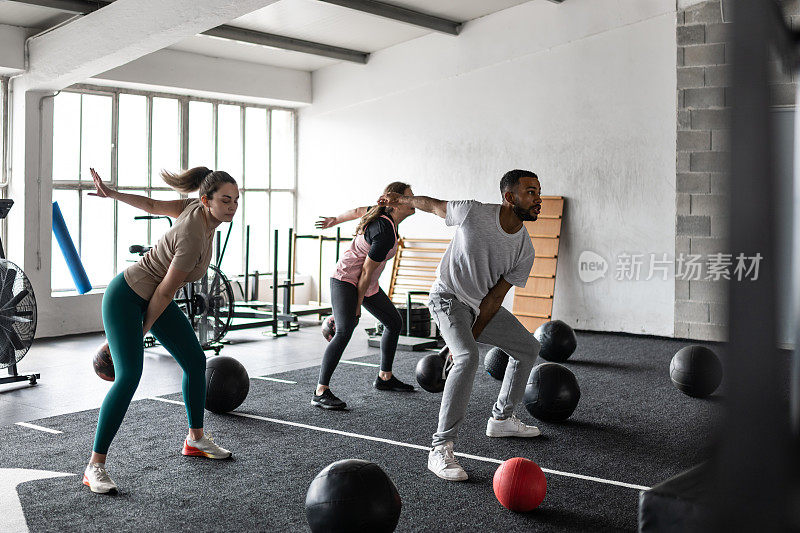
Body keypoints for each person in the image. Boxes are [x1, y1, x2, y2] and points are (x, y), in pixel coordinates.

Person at [378, 169, 543, 481]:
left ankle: (502, 418)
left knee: (528, 347)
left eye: (538, 192)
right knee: (468, 357)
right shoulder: (474, 213)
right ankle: (440, 448)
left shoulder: (525, 249)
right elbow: (435, 205)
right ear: (509, 198)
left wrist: (471, 335)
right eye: (531, 192)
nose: (538, 200)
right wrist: (404, 199)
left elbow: (495, 299)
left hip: (479, 305)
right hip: (447, 298)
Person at [83, 166, 239, 494]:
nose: (232, 206)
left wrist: (112, 194)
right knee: (129, 376)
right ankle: (94, 465)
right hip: (125, 297)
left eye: (236, 200)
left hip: (152, 296)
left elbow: (153, 206)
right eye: (226, 200)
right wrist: (141, 332)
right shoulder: (192, 234)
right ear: (206, 200)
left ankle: (195, 440)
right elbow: (165, 292)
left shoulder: (198, 211)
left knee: (195, 362)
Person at [312, 182, 417, 410]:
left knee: (393, 322)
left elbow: (359, 211)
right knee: (345, 330)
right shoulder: (385, 232)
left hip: (366, 283)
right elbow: (365, 272)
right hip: (346, 280)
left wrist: (335, 220)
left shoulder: (384, 217)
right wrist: (357, 307)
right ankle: (320, 391)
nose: (413, 201)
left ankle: (385, 378)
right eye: (409, 197)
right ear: (396, 203)